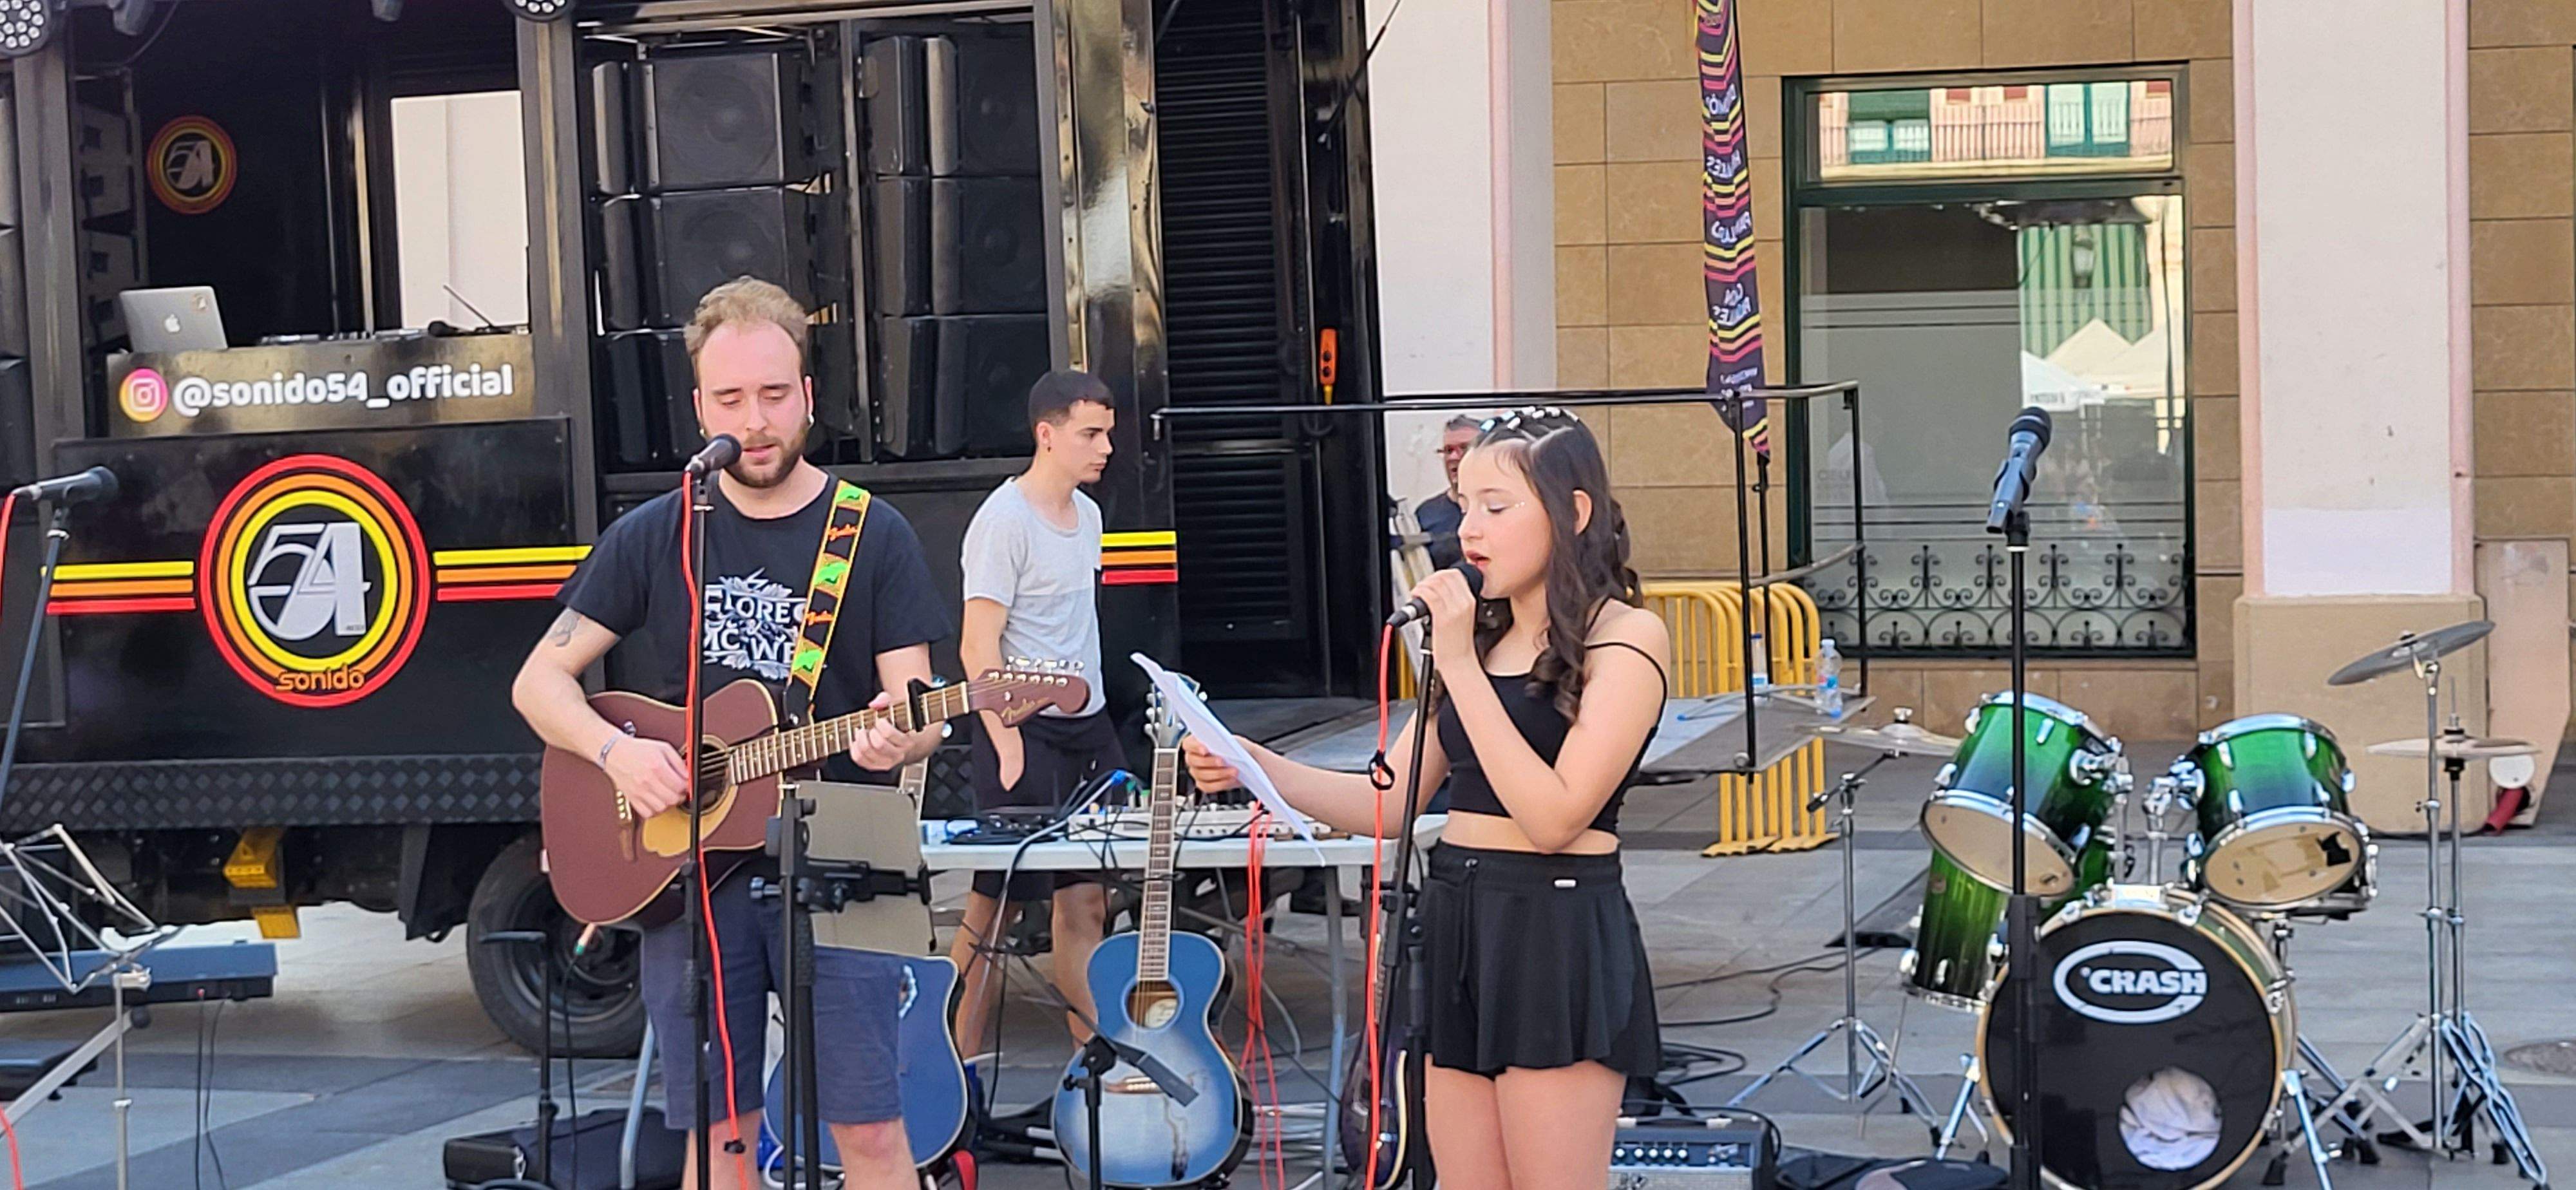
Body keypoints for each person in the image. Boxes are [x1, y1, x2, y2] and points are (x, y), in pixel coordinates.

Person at [512, 277, 949, 1190]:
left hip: (849, 839)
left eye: (775, 396)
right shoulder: (657, 533)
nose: (755, 421)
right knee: (722, 1140)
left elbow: (917, 709)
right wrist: (618, 750)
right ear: (700, 406)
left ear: (809, 397)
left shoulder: (873, 534)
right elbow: (539, 682)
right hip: (691, 858)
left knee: (870, 1129)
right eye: (731, 399)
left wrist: (898, 739)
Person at [1184, 407, 1669, 1189]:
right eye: (1463, 503)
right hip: (1457, 913)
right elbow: (1391, 800)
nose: (1468, 529)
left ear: (1572, 514)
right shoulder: (1478, 640)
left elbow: (1554, 816)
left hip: (1553, 923)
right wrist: (1257, 767)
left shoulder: (1627, 639)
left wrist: (1459, 668)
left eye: (1497, 507)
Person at [947, 370, 1124, 1063]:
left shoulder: (1089, 516)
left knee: (1086, 903)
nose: (1105, 446)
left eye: (1108, 432)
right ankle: (954, 1067)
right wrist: (1006, 741)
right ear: (1046, 436)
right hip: (1021, 728)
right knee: (994, 907)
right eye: (1090, 433)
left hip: (1089, 722)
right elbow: (976, 645)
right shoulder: (1002, 522)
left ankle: (1097, 1066)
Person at [1412, 414, 1478, 570]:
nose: (1454, 457)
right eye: (1449, 450)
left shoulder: (1498, 509)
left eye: (1464, 448)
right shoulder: (1427, 513)